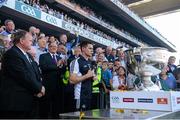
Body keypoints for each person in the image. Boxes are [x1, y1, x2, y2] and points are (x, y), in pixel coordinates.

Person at [0, 30, 45, 118]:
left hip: (28, 101)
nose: (32, 42)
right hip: (16, 104)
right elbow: (23, 76)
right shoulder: (12, 54)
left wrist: (40, 87)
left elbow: (35, 74)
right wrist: (39, 88)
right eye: (30, 40)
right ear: (21, 40)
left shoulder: (27, 55)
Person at [39, 41, 66, 118]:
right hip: (47, 85)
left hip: (58, 86)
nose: (54, 48)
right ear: (48, 47)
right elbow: (44, 67)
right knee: (45, 107)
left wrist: (64, 65)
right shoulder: (43, 56)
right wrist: (57, 65)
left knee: (56, 107)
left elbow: (62, 72)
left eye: (55, 47)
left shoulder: (59, 58)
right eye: (52, 46)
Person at [70, 41, 96, 111]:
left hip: (89, 95)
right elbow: (72, 80)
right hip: (80, 96)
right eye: (90, 48)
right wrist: (87, 76)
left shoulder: (90, 62)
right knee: (80, 117)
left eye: (92, 49)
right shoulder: (75, 62)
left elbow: (90, 77)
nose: (92, 51)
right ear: (83, 49)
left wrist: (93, 77)